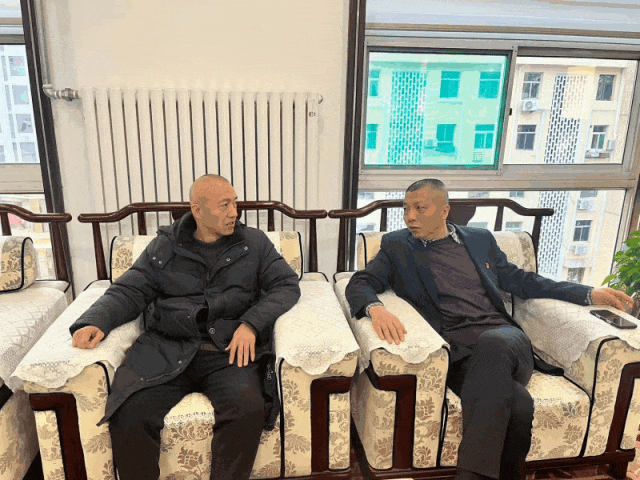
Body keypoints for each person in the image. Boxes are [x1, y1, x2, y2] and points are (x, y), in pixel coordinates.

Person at [345, 178, 634, 480]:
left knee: (493, 342)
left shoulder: (480, 239)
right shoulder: (397, 246)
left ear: (444, 211)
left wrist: (587, 293)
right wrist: (375, 308)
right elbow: (360, 281)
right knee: (518, 406)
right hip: (459, 357)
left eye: (420, 208)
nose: (409, 217)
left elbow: (523, 281)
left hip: (507, 343)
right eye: (406, 209)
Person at [70, 174, 301, 480]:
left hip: (228, 351)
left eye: (235, 203)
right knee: (129, 414)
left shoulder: (254, 244)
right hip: (167, 347)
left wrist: (251, 324)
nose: (235, 212)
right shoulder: (164, 246)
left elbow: (286, 285)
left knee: (247, 409)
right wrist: (96, 320)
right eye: (224, 205)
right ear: (198, 210)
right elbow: (129, 290)